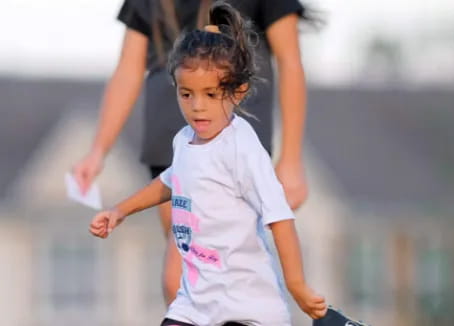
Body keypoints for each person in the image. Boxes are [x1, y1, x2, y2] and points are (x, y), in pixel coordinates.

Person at [89, 3, 327, 325]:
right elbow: (171, 182)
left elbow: (280, 218)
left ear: (238, 91)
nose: (197, 107)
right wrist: (120, 211)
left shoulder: (243, 149)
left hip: (248, 309)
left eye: (211, 95)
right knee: (172, 281)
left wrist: (297, 285)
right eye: (187, 95)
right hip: (196, 304)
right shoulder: (184, 140)